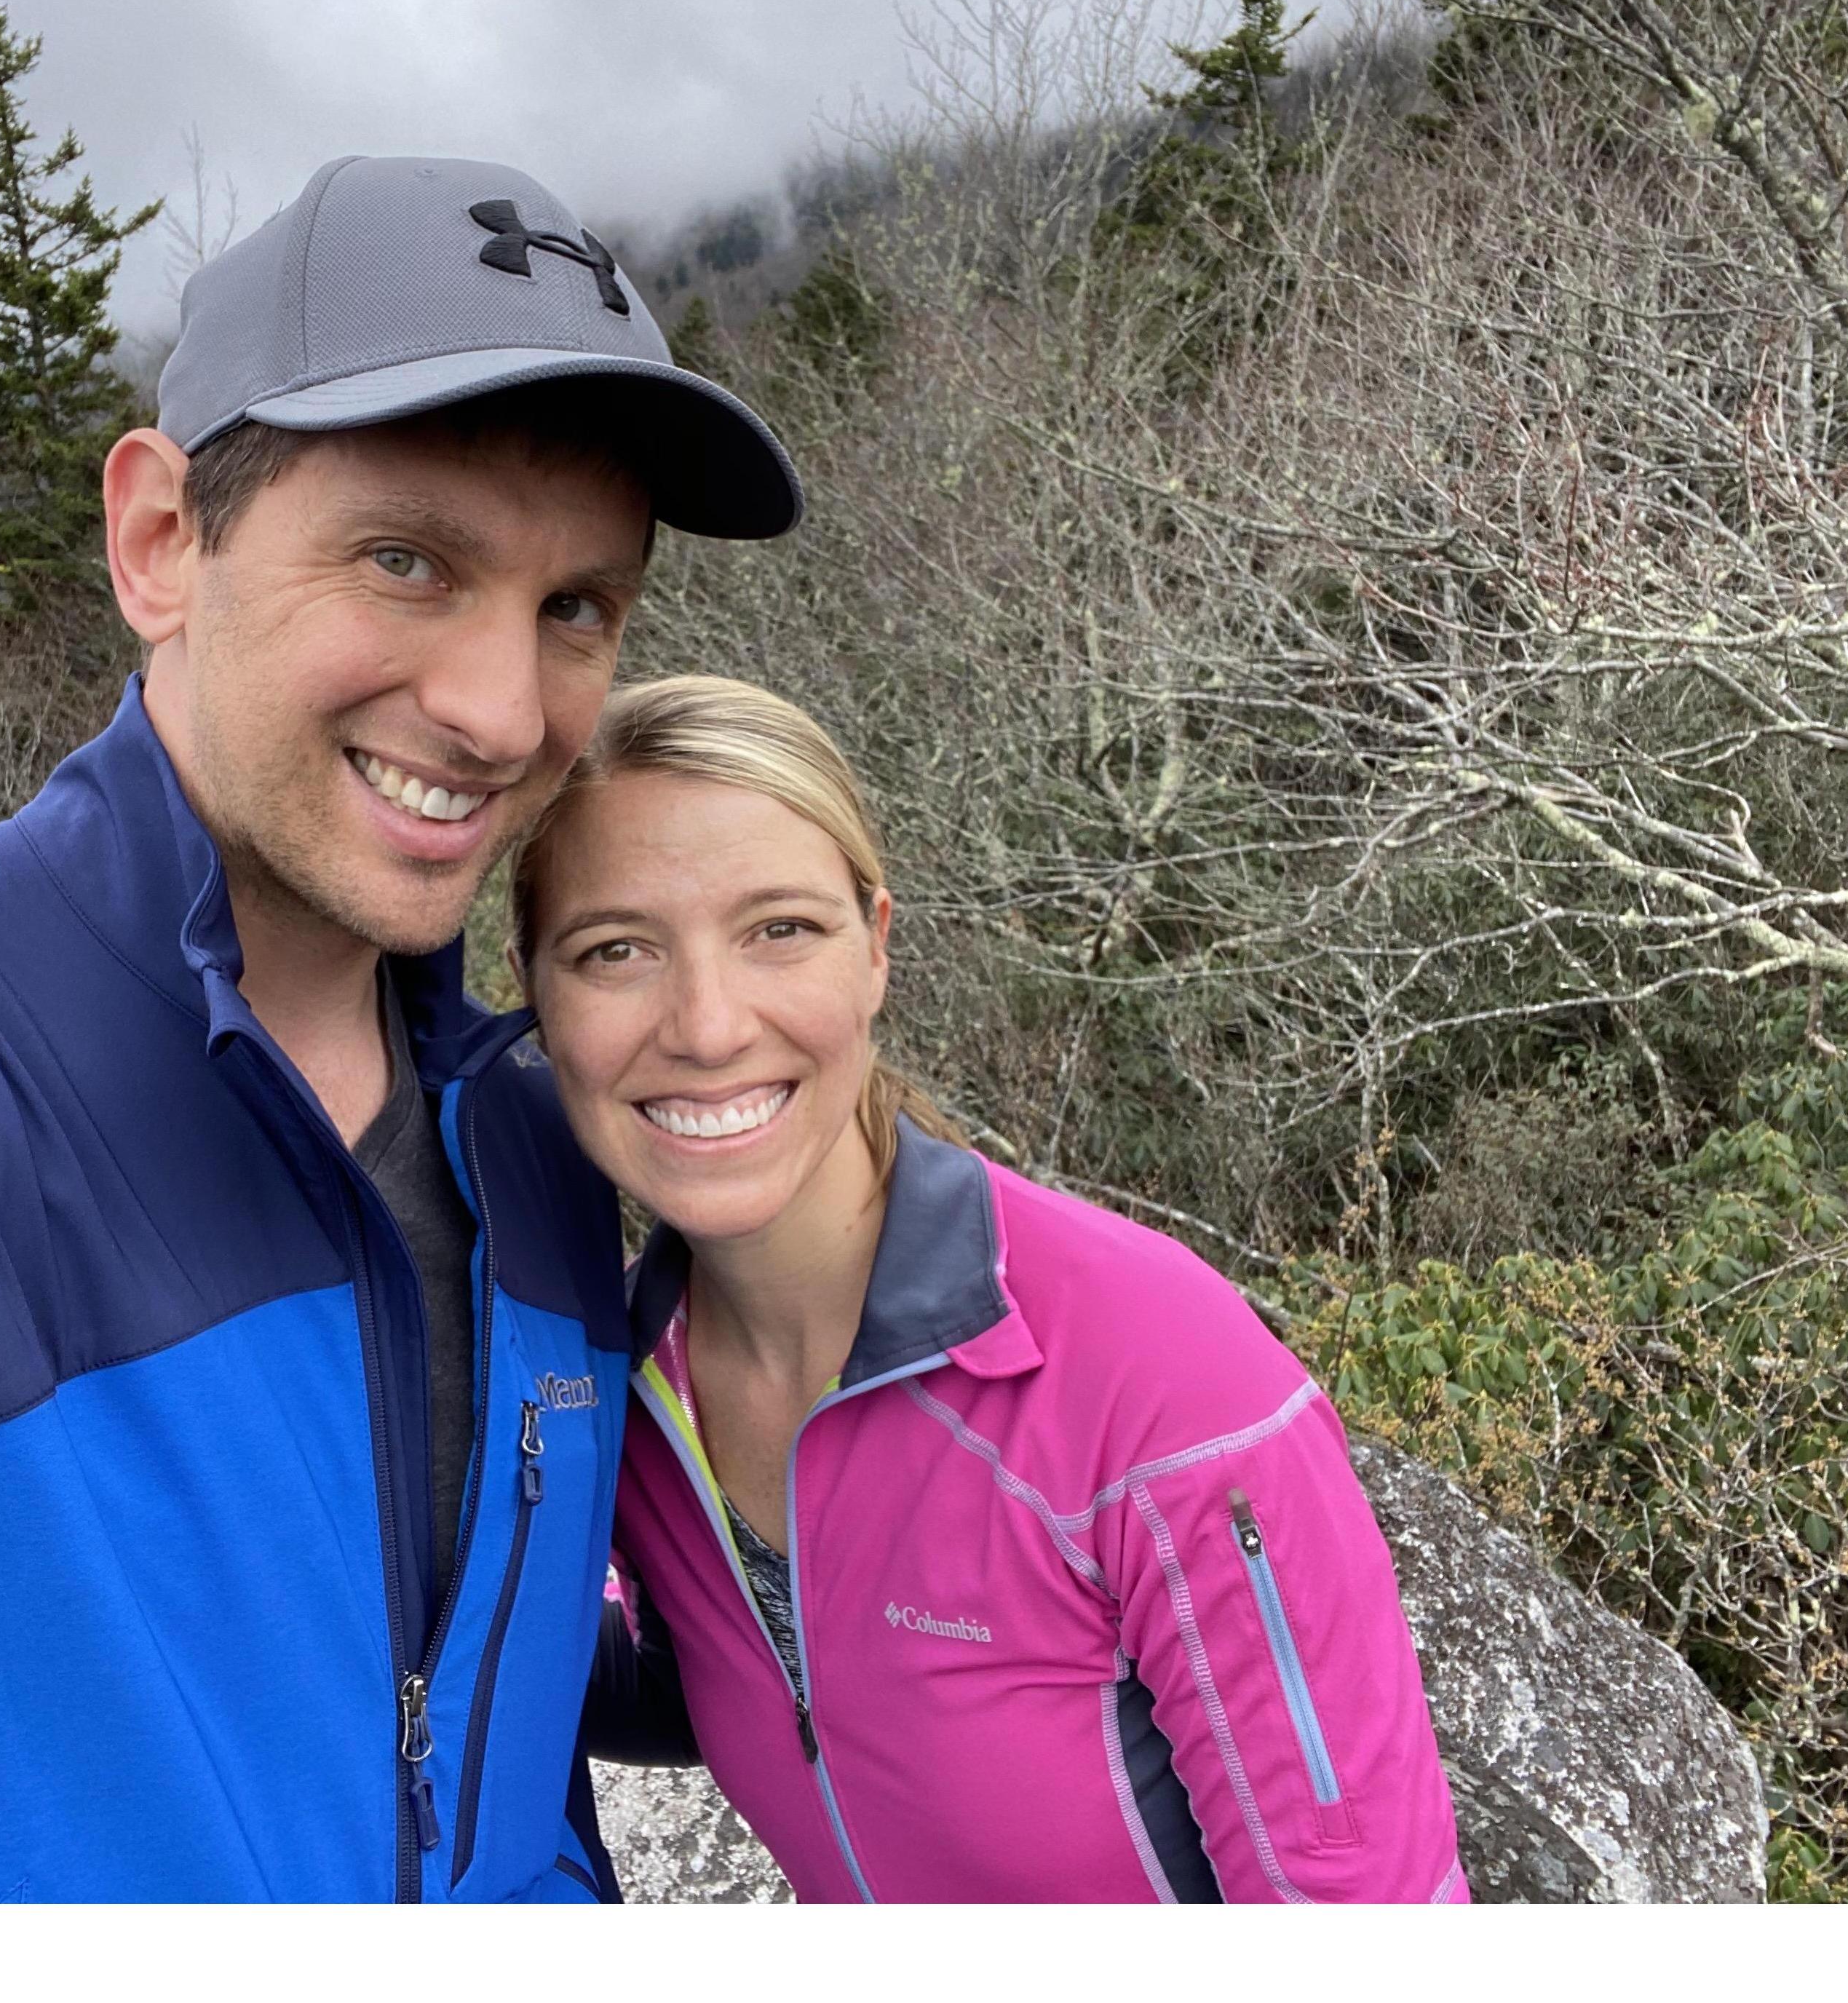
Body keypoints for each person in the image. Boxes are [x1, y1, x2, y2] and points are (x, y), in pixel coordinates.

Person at [0, 156, 799, 1901]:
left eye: (575, 606)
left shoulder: (531, 1137)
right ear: (157, 541)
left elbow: (446, 1685)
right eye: (408, 559)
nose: (507, 709)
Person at [524, 676, 1469, 1904]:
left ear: (877, 944)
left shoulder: (1146, 1366)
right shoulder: (620, 1386)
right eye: (616, 950)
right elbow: (757, 1677)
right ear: (536, 994)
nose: (706, 1025)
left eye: (780, 930)